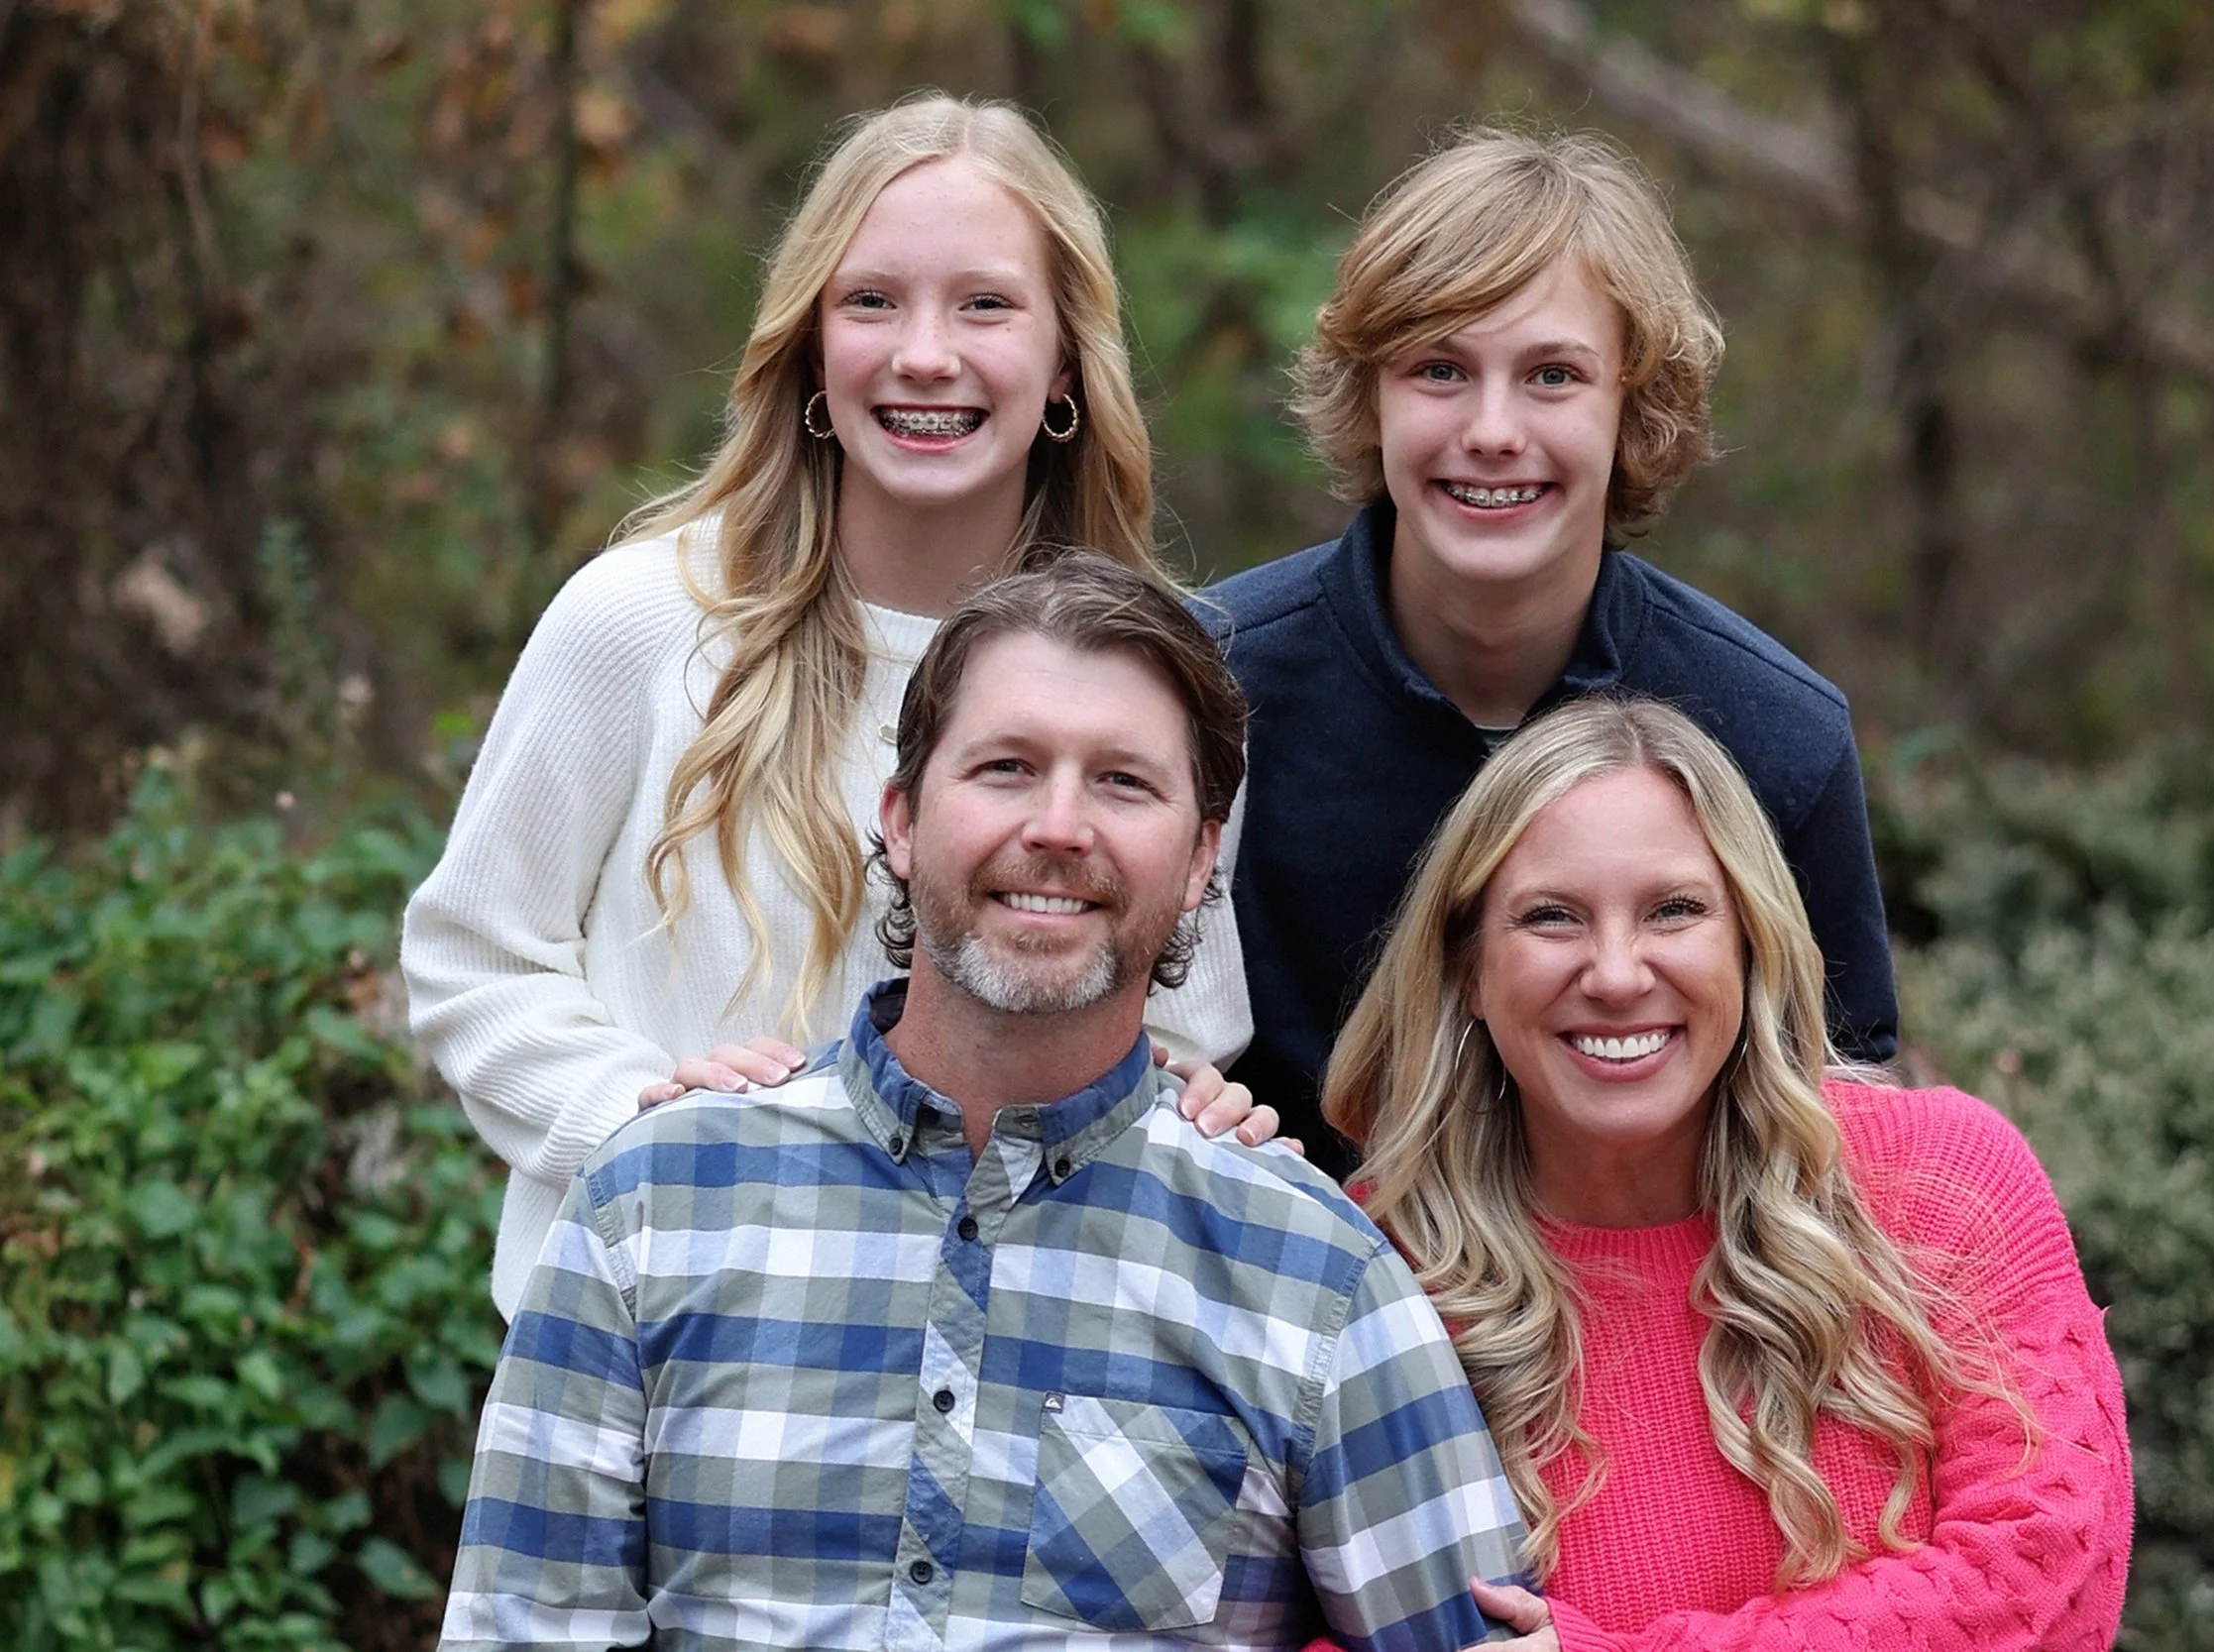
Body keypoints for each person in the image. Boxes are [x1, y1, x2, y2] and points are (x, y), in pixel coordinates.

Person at [438, 553, 1529, 1649]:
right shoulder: (652, 1207)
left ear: (1203, 855)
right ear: (902, 819)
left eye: (1123, 781)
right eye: (1007, 767)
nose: (1058, 825)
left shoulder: (1314, 1278)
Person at [401, 95, 1259, 1321]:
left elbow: (1179, 1023)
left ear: (1067, 359)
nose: (925, 354)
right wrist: (646, 1117)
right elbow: (473, 955)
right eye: (871, 301)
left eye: (985, 304)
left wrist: (1190, 1096)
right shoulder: (639, 622)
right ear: (809, 346)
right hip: (656, 1345)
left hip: (998, 1362)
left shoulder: (1156, 676)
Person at [1311, 695, 2131, 1651]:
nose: (1617, 973)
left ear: (1750, 940)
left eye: (1674, 910)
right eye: (1551, 917)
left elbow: (2045, 1573)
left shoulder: (1943, 1177)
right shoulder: (1373, 1270)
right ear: (1468, 972)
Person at [1201, 129, 1899, 1174]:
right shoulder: (1203, 694)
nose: (1492, 430)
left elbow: (1849, 1116)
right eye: (1439, 369)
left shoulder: (1774, 734)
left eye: (1552, 375)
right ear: (1371, 393)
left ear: (1633, 404)